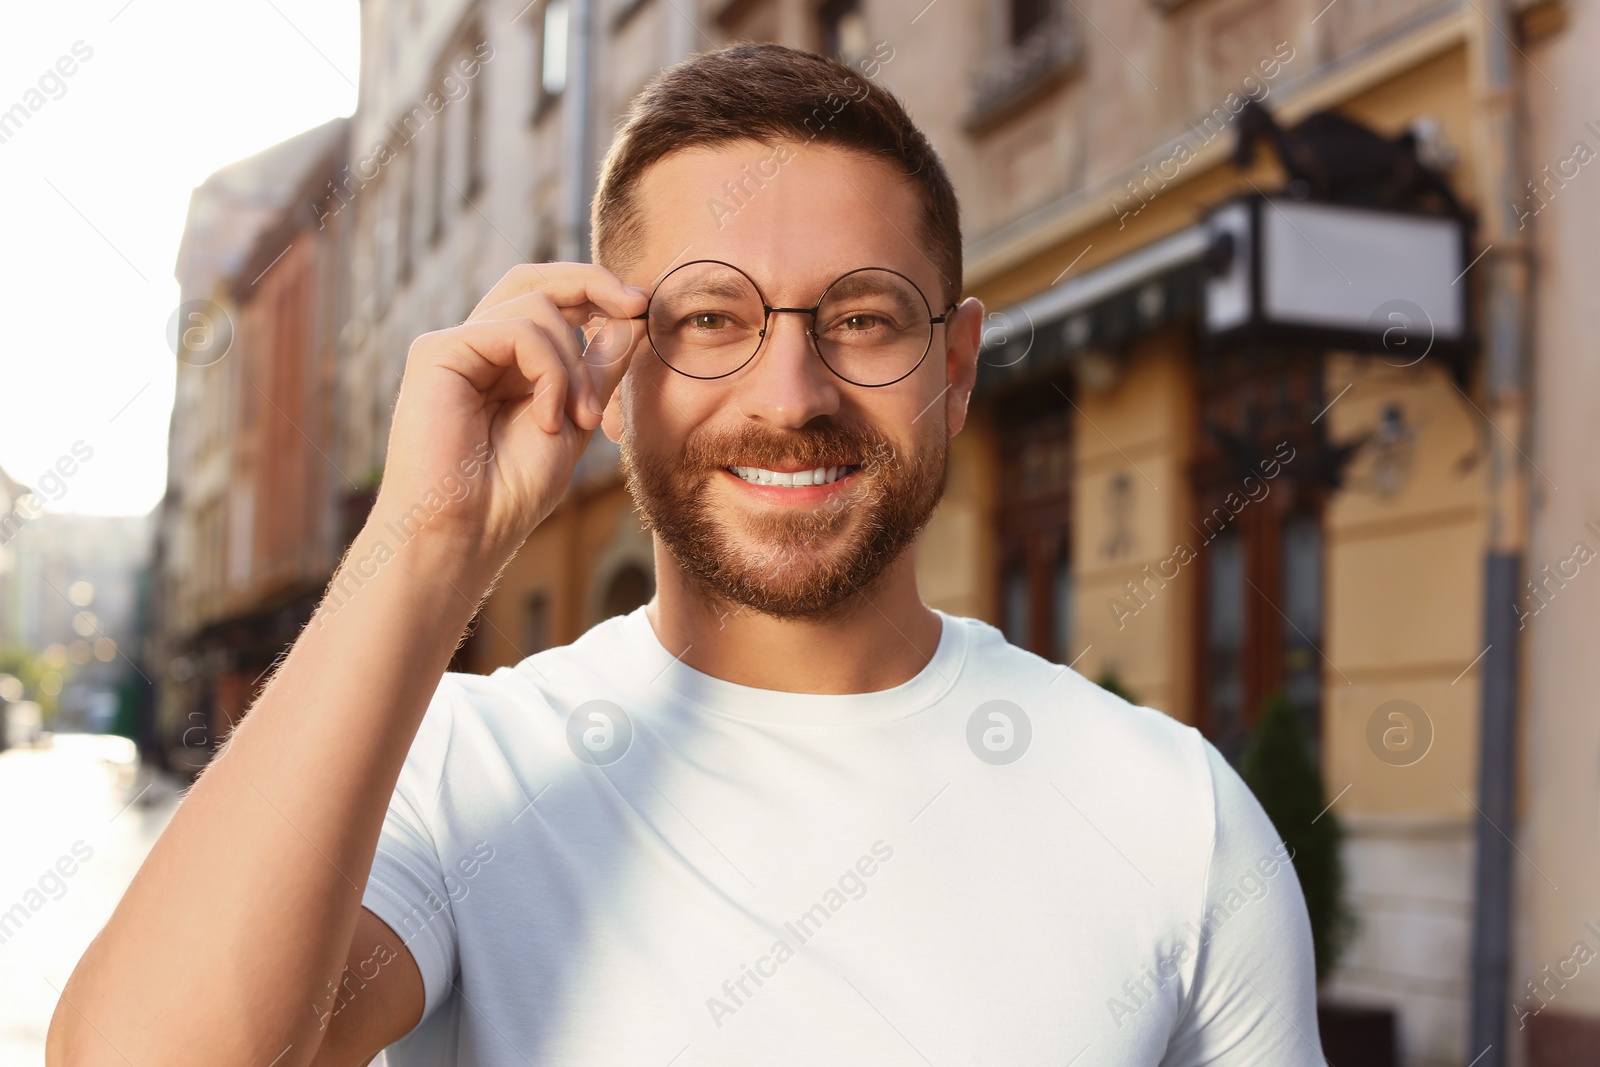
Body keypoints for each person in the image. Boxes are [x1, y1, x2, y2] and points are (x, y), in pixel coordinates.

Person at [49, 43, 1320, 1067]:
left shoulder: (1174, 814)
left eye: (862, 318)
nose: (789, 390)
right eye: (709, 317)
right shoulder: (456, 769)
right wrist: (425, 540)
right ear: (608, 367)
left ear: (954, 363)